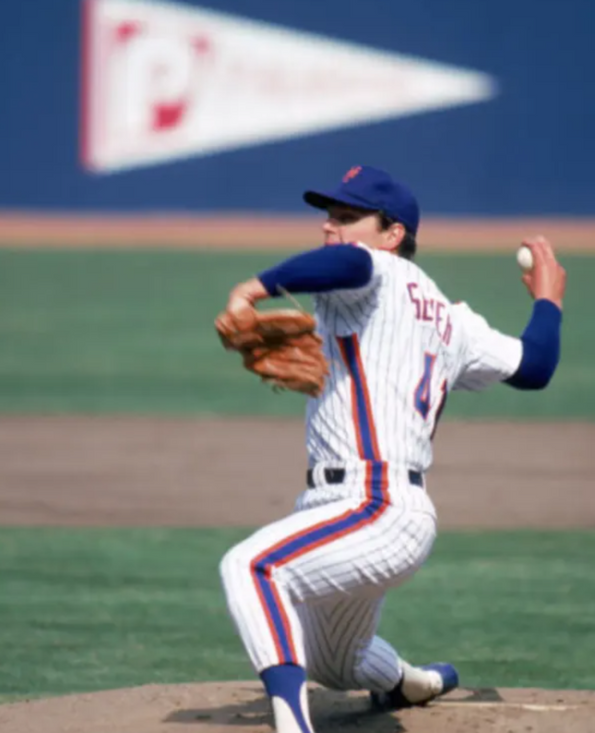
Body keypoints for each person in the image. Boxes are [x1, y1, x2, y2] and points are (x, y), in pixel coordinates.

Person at [217, 165, 567, 733]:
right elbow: (536, 367)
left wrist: (251, 289)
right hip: (361, 512)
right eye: (329, 215)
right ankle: (412, 682)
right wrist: (547, 302)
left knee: (252, 567)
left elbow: (352, 262)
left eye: (348, 217)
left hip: (374, 506)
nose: (331, 227)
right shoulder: (456, 322)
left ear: (393, 234)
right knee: (335, 663)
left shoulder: (371, 269)